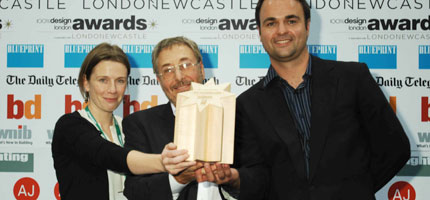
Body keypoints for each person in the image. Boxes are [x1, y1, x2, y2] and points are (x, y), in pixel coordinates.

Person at [216, 0, 411, 199]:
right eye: (271, 23)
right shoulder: (246, 105)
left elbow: (395, 148)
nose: (281, 31)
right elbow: (257, 176)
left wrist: (357, 190)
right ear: (259, 32)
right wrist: (235, 180)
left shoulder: (353, 78)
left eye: (291, 21)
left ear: (307, 26)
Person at [51, 43, 193, 200]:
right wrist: (163, 162)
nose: (112, 89)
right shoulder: (69, 126)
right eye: (103, 80)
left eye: (120, 81)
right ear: (86, 82)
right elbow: (108, 155)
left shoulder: (129, 127)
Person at [122, 36, 232, 200]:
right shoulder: (140, 124)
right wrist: (178, 179)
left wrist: (232, 180)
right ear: (158, 80)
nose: (179, 77)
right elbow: (134, 191)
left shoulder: (235, 116)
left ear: (201, 68)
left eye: (186, 65)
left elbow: (257, 179)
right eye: (168, 70)